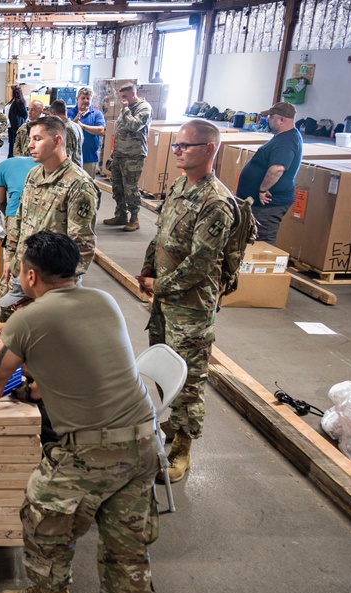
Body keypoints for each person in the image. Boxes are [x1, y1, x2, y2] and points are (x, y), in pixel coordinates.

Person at [0, 231, 159, 593]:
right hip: (144, 440)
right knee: (126, 539)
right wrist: (31, 392)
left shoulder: (28, 319)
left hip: (92, 450)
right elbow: (74, 366)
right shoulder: (104, 301)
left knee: (42, 511)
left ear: (29, 275)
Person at [136, 119, 234, 484]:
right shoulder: (179, 186)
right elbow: (160, 234)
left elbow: (201, 263)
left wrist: (159, 284)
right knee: (161, 369)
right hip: (166, 301)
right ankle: (168, 423)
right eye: (176, 145)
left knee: (189, 380)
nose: (177, 151)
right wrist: (147, 267)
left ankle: (182, 448)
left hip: (190, 307)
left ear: (209, 149)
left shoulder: (216, 202)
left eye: (185, 146)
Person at [0, 115, 98, 312]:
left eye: (37, 139)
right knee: (9, 332)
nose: (30, 146)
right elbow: (18, 220)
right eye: (30, 139)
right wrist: (9, 257)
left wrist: (49, 289)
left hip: (49, 286)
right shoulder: (34, 175)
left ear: (57, 140)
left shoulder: (79, 185)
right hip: (22, 274)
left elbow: (82, 247)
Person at [235, 101, 303, 245]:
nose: (267, 119)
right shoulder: (283, 137)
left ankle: (264, 267)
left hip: (269, 204)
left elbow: (277, 169)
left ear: (282, 119)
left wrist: (262, 189)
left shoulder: (287, 141)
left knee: (263, 242)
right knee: (253, 238)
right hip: (260, 204)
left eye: (271, 117)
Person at [103, 83, 152, 232]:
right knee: (117, 187)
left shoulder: (144, 108)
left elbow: (134, 126)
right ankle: (121, 215)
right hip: (119, 154)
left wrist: (125, 109)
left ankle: (134, 219)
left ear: (133, 94)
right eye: (121, 97)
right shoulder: (126, 109)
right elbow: (120, 129)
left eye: (125, 97)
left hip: (133, 155)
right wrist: (114, 149)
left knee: (130, 188)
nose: (122, 100)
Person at [0, 155, 36, 298]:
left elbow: (1, 199)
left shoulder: (1, 167)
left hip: (14, 210)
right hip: (39, 210)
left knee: (11, 251)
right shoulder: (37, 162)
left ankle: (6, 290)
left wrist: (8, 215)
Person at [68, 86, 106, 178]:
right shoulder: (69, 113)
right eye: (83, 98)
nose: (85, 100)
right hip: (71, 159)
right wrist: (75, 121)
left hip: (89, 158)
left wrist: (82, 126)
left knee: (88, 186)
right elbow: (65, 130)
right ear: (77, 99)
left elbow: (101, 130)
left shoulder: (97, 114)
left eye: (88, 98)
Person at [49, 100, 82, 169]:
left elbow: (66, 155)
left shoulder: (64, 129)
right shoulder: (77, 126)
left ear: (53, 113)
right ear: (66, 111)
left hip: (69, 171)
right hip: (78, 167)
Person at [7, 86, 28, 159]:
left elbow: (25, 114)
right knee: (11, 143)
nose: (10, 93)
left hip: (16, 126)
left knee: (14, 144)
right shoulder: (12, 101)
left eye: (11, 91)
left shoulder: (18, 101)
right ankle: (10, 157)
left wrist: (18, 120)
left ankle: (12, 157)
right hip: (10, 126)